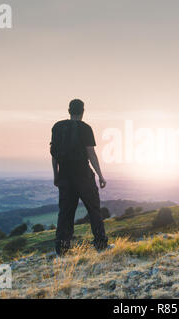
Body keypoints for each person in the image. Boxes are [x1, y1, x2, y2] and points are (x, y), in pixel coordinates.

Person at [50, 99, 108, 255]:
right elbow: (91, 154)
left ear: (69, 110)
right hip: (83, 175)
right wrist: (101, 176)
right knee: (94, 209)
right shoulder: (86, 128)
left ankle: (62, 249)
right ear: (83, 111)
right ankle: (101, 244)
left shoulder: (57, 127)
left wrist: (56, 176)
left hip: (65, 175)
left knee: (65, 213)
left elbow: (54, 156)